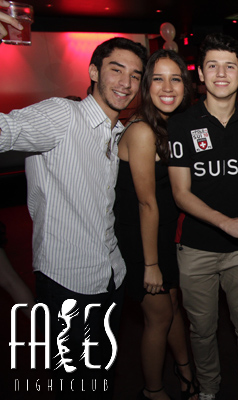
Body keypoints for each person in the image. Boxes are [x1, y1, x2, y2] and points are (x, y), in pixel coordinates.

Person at [0, 25, 147, 399]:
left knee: (100, 374)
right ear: (94, 72)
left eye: (135, 75)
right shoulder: (63, 115)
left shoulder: (117, 133)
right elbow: (5, 130)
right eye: (116, 69)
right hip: (67, 281)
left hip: (110, 276)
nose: (126, 82)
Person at [167, 33, 238, 400]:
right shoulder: (182, 123)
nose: (221, 74)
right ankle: (208, 388)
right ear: (200, 74)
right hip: (196, 247)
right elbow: (181, 194)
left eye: (230, 66)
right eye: (213, 66)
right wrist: (226, 223)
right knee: (202, 329)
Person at [114, 49, 197, 400]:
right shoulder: (143, 130)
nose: (167, 87)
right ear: (146, 85)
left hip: (163, 234)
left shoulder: (169, 125)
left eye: (175, 79)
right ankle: (153, 390)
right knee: (159, 318)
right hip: (142, 240)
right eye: (158, 79)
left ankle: (185, 373)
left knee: (172, 308)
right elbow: (146, 203)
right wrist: (150, 265)